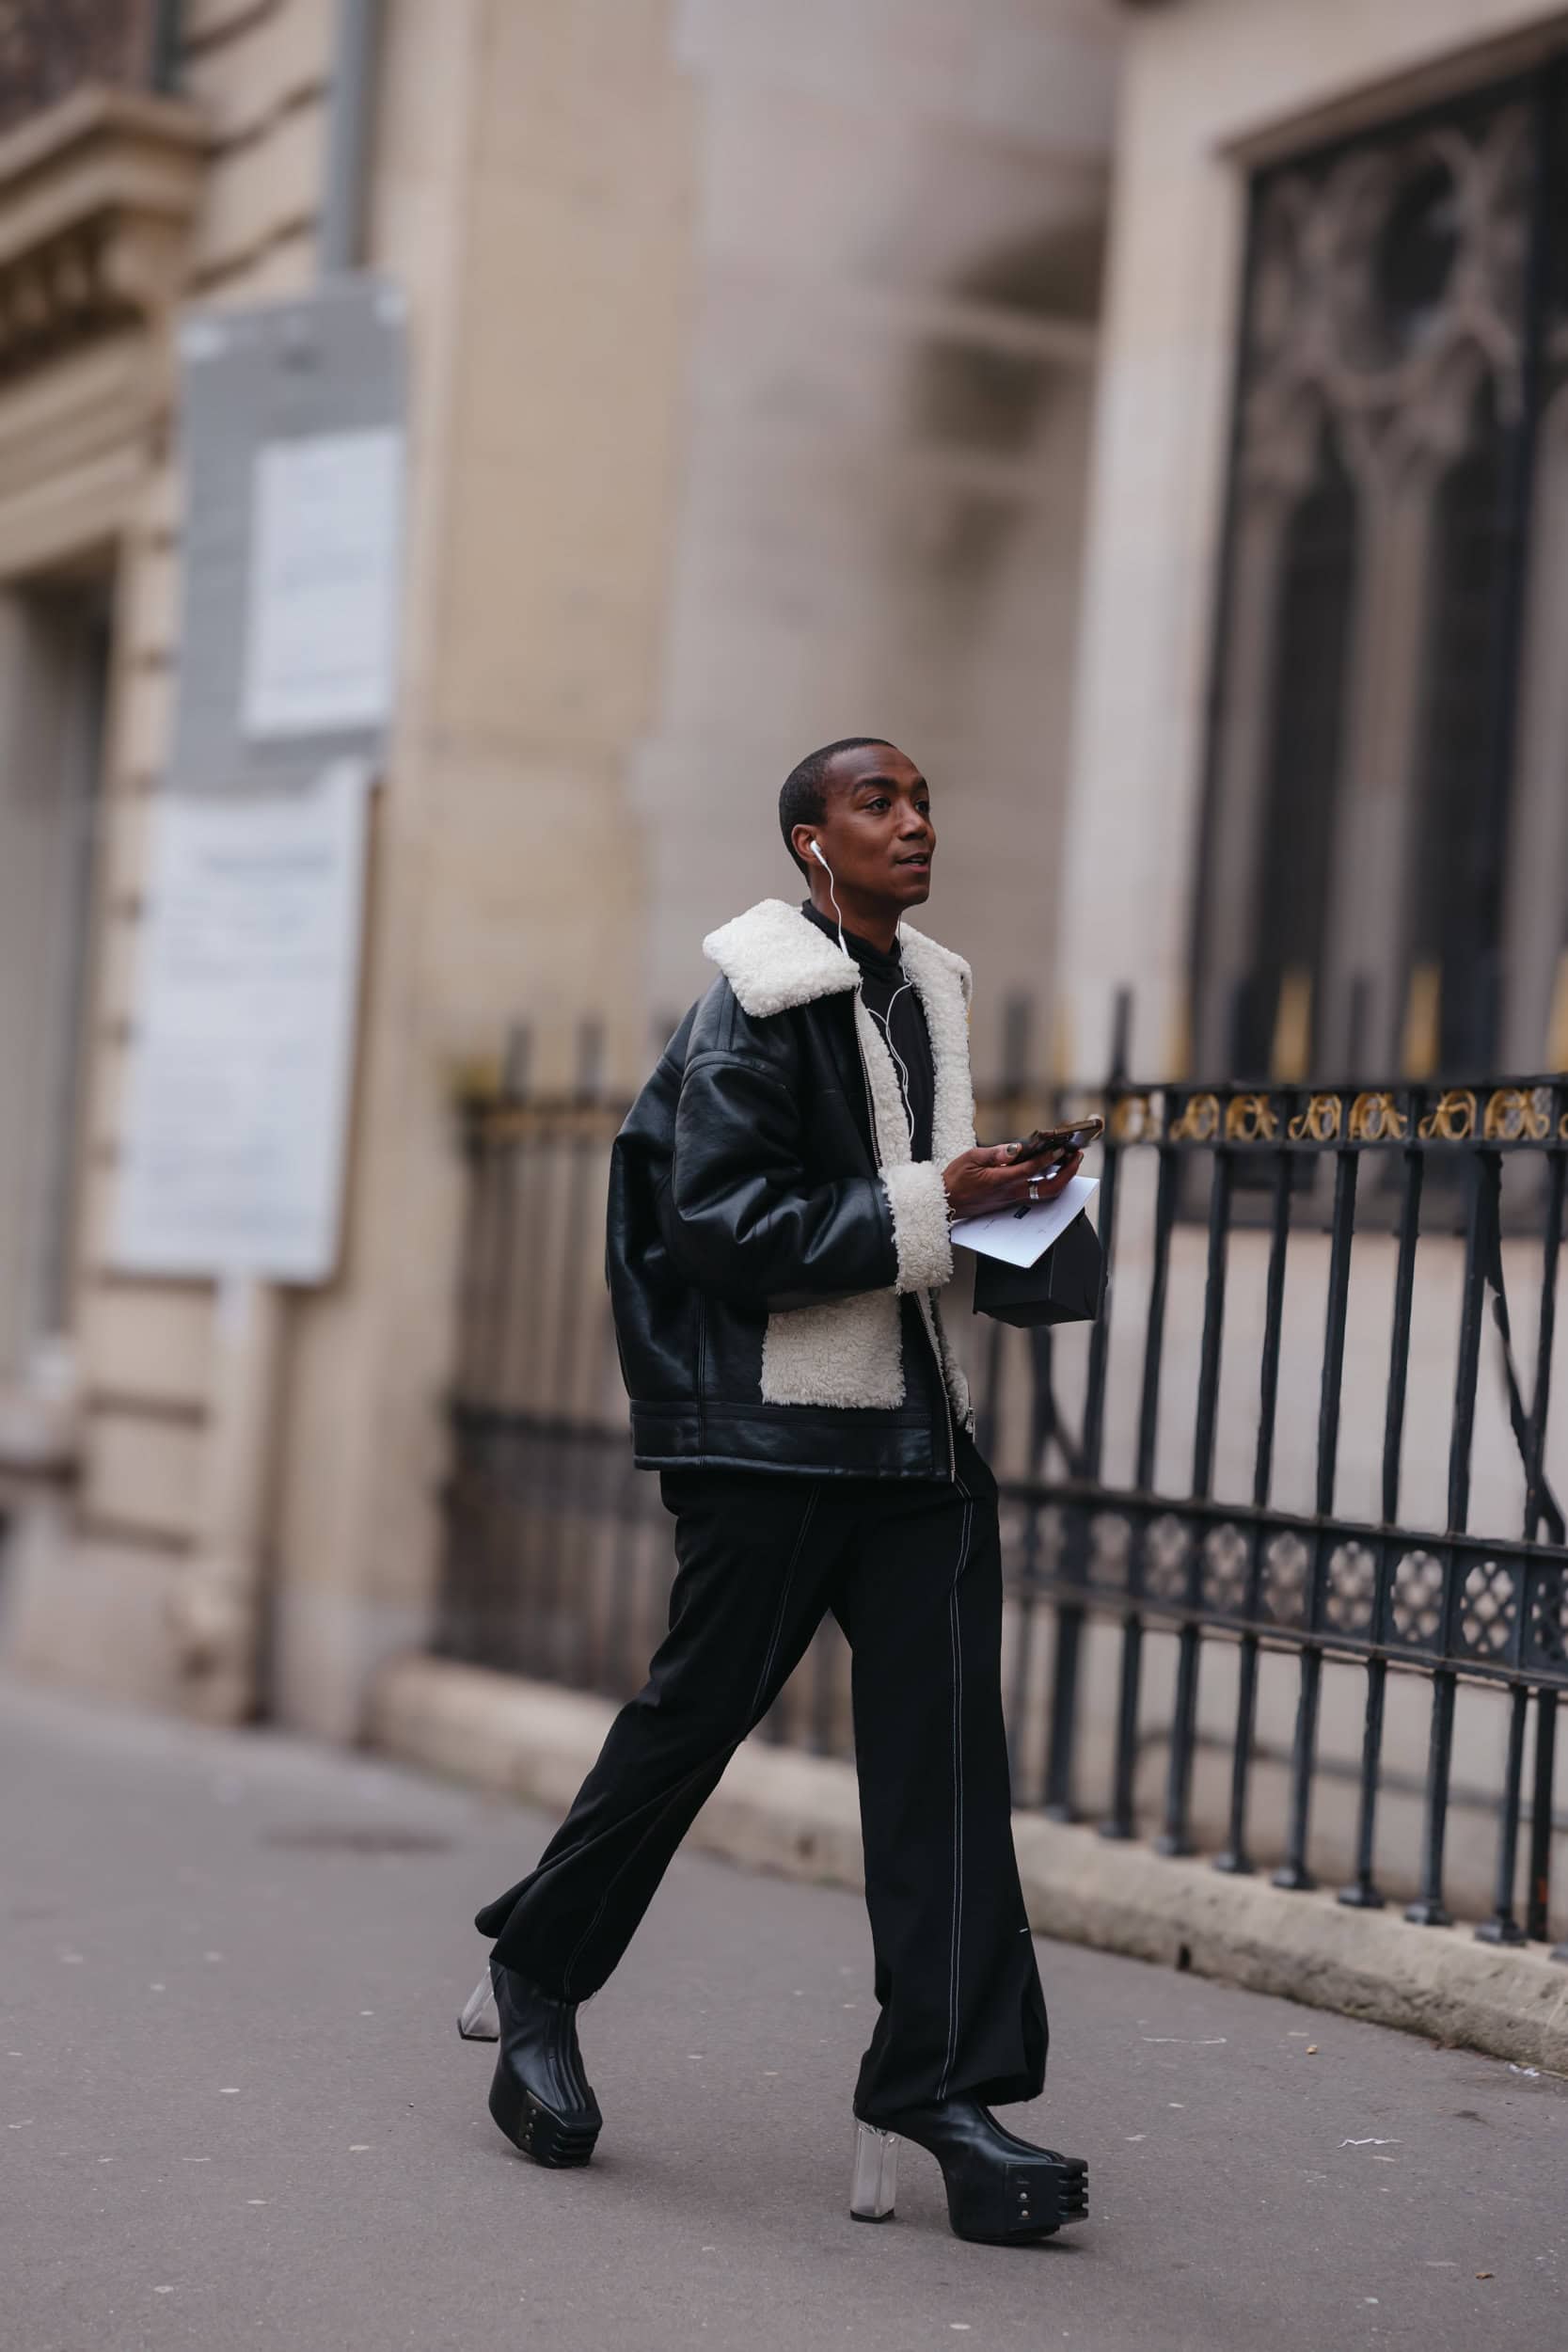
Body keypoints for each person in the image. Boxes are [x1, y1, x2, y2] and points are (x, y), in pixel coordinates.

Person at [460, 738, 1088, 2244]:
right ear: (813, 842)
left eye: (925, 798)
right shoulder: (755, 1002)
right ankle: (536, 1971)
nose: (916, 822)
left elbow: (898, 1213)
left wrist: (1015, 1202)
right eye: (879, 803)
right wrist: (945, 1202)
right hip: (773, 1443)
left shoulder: (923, 990)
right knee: (692, 1728)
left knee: (945, 1772)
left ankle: (936, 2090)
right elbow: (728, 1224)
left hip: (920, 1445)